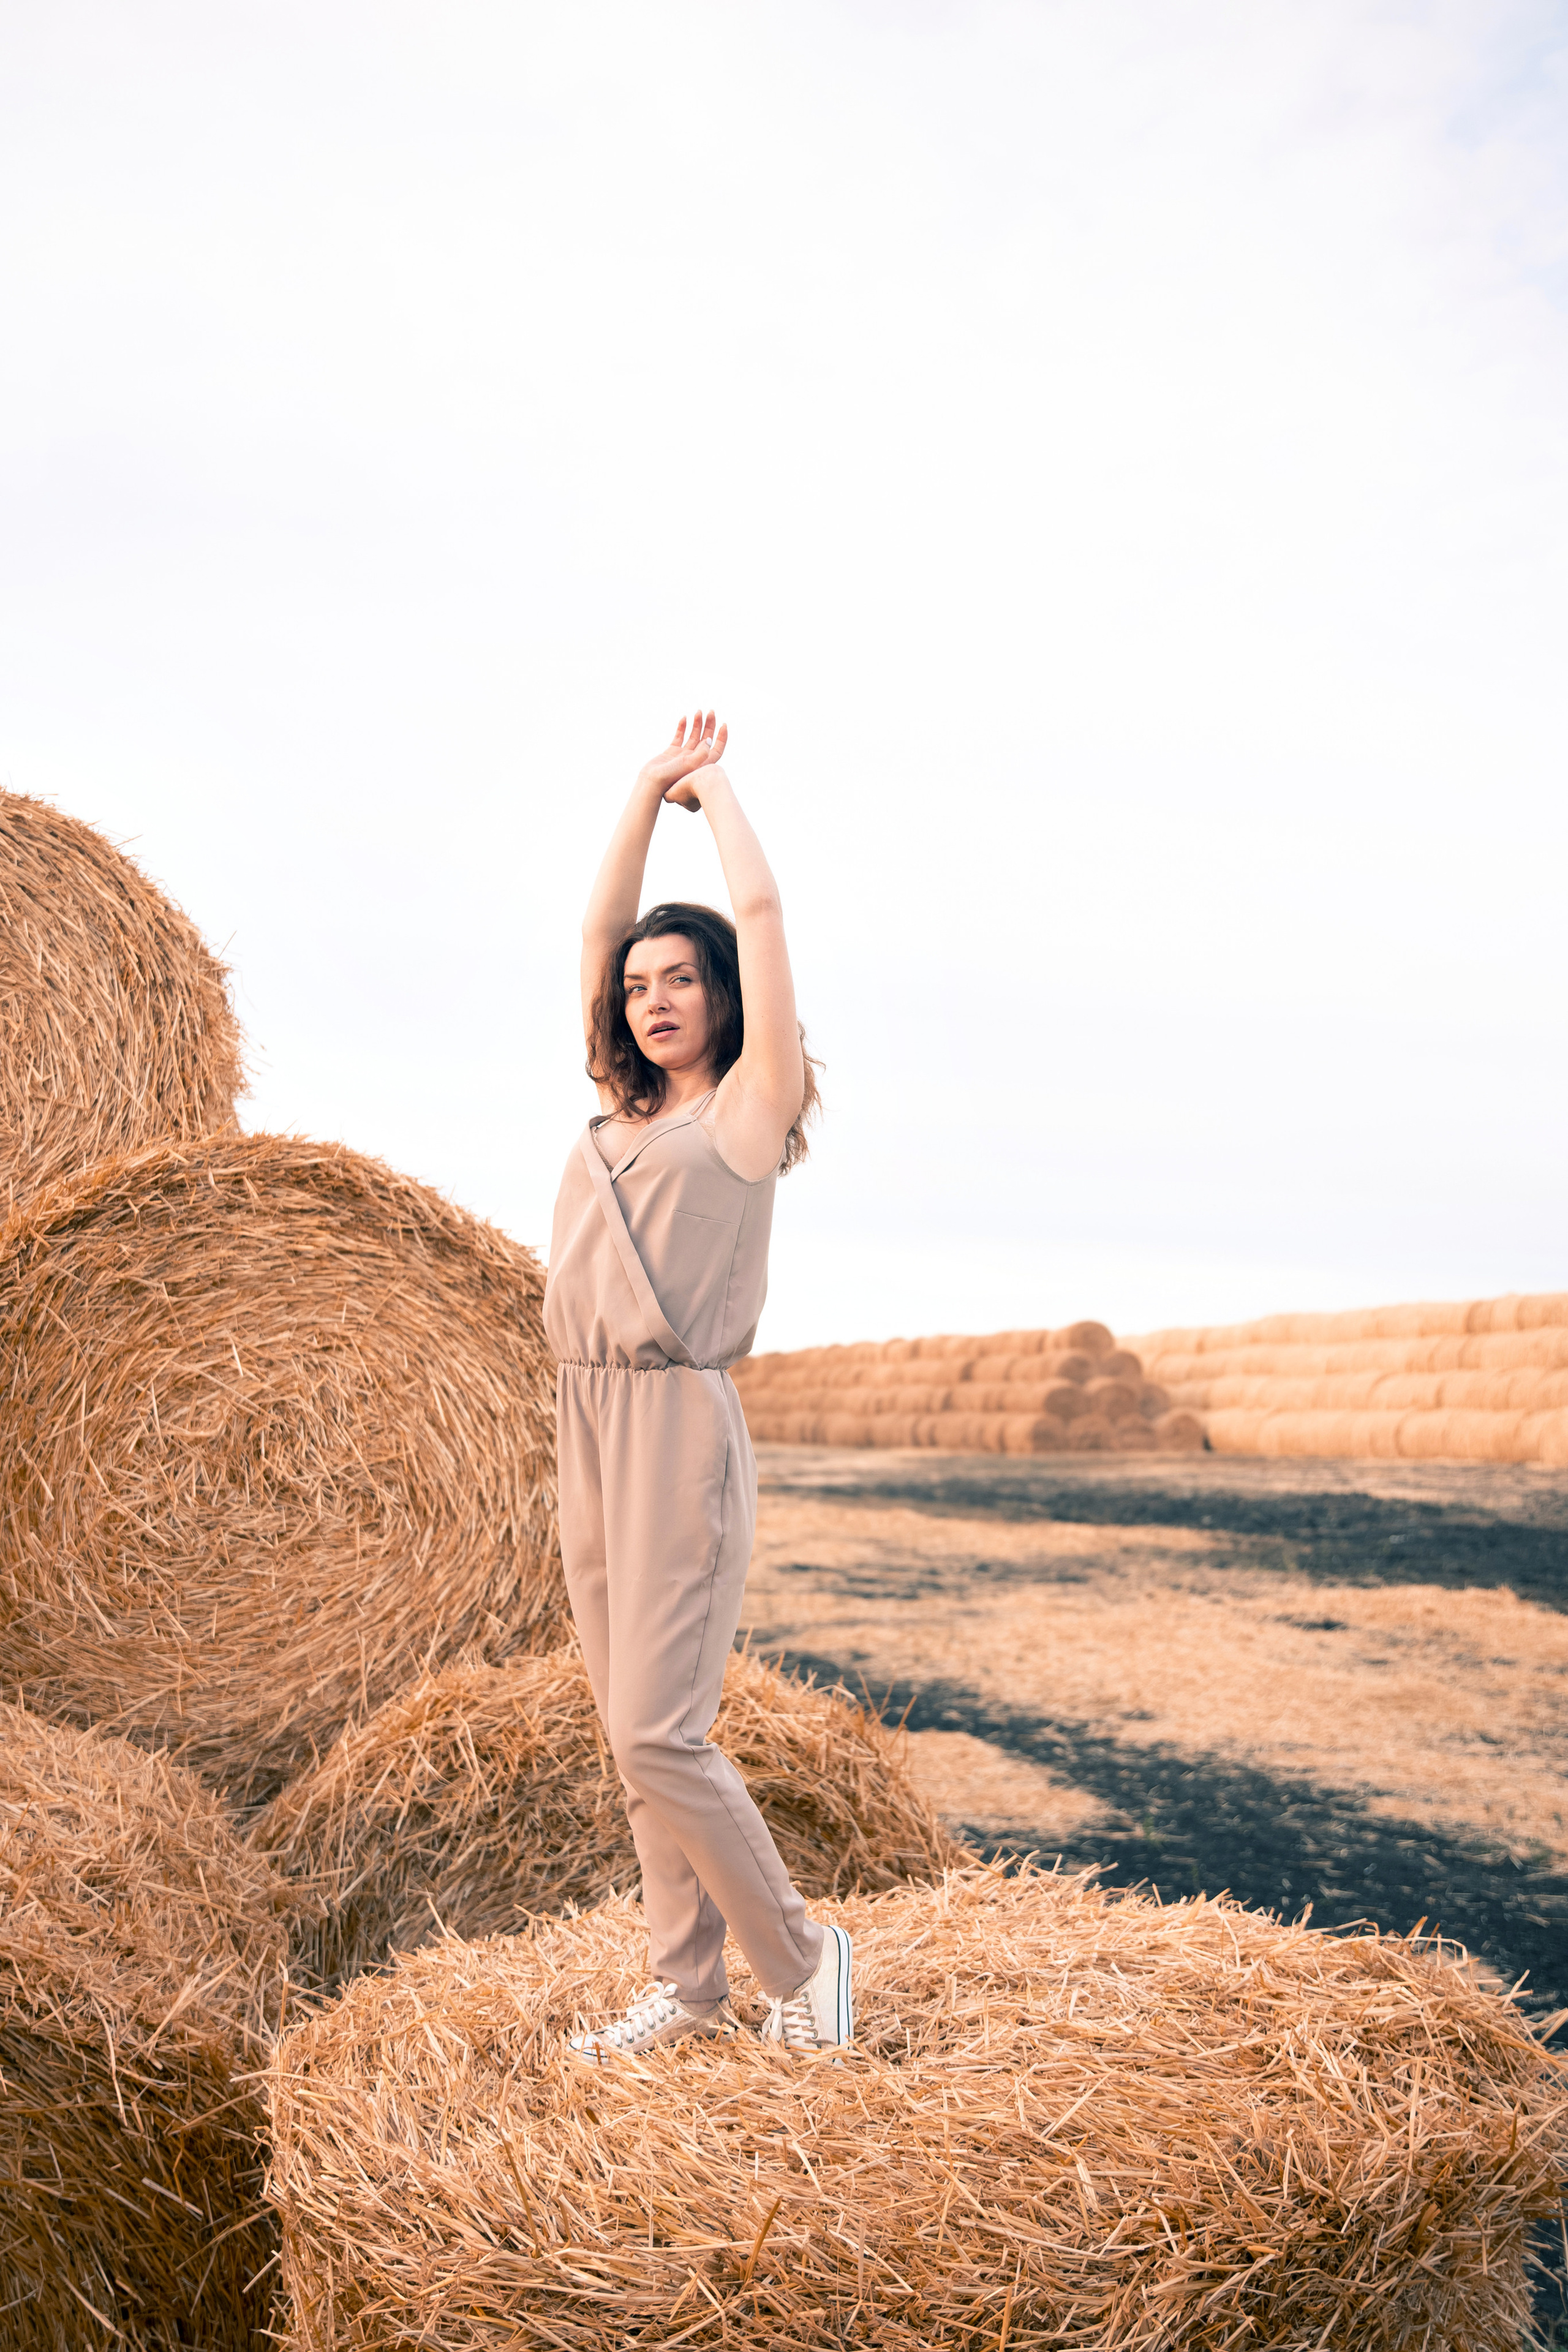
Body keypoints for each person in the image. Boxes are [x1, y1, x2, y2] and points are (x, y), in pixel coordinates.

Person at [543, 710, 851, 2064]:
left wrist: (712, 793)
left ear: (722, 995)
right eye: (638, 985)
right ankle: (687, 1988)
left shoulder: (745, 1112)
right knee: (628, 1741)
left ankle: (803, 1958)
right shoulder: (621, 1114)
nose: (651, 996)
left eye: (680, 978)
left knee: (661, 1729)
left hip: (674, 1424)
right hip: (584, 1420)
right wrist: (634, 791)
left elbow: (767, 909)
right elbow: (595, 932)